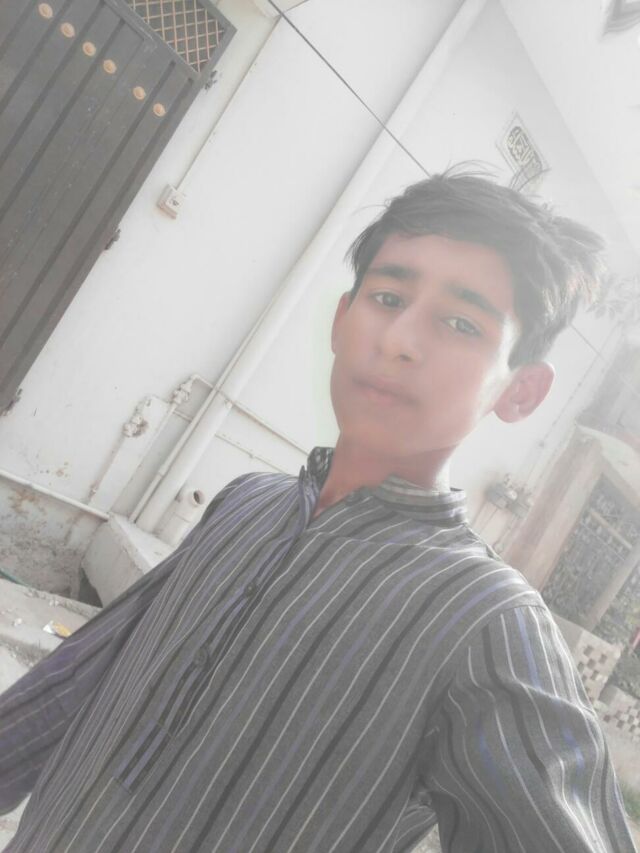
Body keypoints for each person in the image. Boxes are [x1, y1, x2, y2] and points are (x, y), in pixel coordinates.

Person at [0, 172, 636, 853]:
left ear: (521, 391)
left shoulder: (484, 619)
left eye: (461, 323)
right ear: (341, 321)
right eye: (388, 298)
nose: (399, 339)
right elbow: (89, 675)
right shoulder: (247, 503)